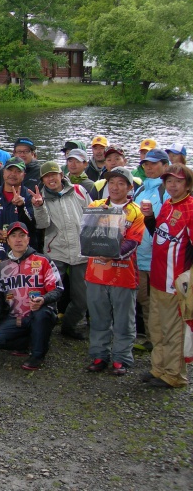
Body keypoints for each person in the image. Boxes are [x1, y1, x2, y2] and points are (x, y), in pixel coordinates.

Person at [83, 166, 145, 375]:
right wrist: (94, 248)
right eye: (111, 183)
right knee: (99, 317)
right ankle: (99, 355)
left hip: (124, 275)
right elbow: (86, 232)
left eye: (120, 183)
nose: (115, 187)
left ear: (129, 187)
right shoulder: (96, 205)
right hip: (96, 273)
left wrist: (113, 253)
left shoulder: (136, 212)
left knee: (124, 320)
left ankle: (122, 358)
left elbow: (134, 242)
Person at [140, 164, 193, 388]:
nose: (172, 185)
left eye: (178, 181)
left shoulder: (190, 208)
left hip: (176, 282)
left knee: (174, 329)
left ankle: (174, 375)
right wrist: (150, 218)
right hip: (158, 276)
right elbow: (160, 236)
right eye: (169, 181)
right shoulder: (168, 204)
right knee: (157, 325)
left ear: (188, 184)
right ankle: (158, 368)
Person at [0, 222, 64, 370]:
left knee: (41, 315)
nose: (18, 240)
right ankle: (30, 341)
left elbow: (58, 289)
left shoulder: (43, 261)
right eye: (13, 236)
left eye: (22, 236)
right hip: (16, 317)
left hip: (40, 313)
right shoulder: (1, 267)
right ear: (8, 241)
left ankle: (37, 355)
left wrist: (44, 299)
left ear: (28, 239)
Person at [30, 161, 91, 341]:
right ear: (43, 180)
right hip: (55, 252)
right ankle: (44, 325)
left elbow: (91, 214)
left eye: (53, 175)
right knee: (50, 293)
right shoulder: (40, 197)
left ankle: (69, 326)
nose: (51, 179)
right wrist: (39, 206)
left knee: (82, 298)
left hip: (81, 251)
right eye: (46, 176)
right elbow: (42, 225)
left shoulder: (78, 191)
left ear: (61, 175)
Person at [133, 149, 170, 351]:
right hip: (139, 254)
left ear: (165, 166)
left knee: (159, 301)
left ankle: (163, 340)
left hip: (159, 256)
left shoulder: (166, 190)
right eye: (146, 164)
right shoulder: (140, 190)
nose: (148, 167)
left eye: (154, 164)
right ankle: (151, 338)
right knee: (144, 299)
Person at [0, 157, 37, 280]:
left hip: (23, 253)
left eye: (18, 171)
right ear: (3, 172)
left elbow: (34, 225)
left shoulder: (30, 197)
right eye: (10, 170)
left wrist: (21, 207)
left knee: (22, 291)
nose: (13, 174)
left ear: (24, 175)